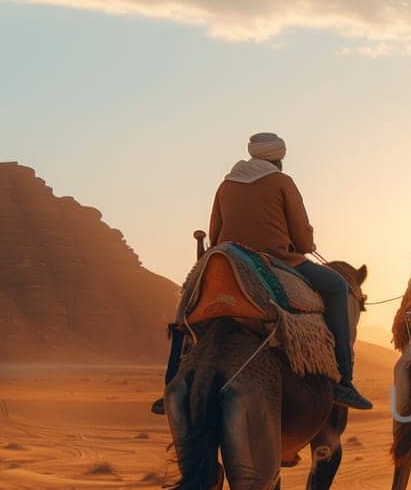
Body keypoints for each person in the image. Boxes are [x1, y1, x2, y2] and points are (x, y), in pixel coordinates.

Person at [155, 133, 372, 413]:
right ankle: (345, 380)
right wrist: (303, 244)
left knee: (186, 308)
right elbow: (303, 240)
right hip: (278, 260)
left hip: (229, 261)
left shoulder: (226, 184)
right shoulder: (282, 182)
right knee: (337, 288)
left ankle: (172, 381)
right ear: (278, 158)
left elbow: (215, 234)